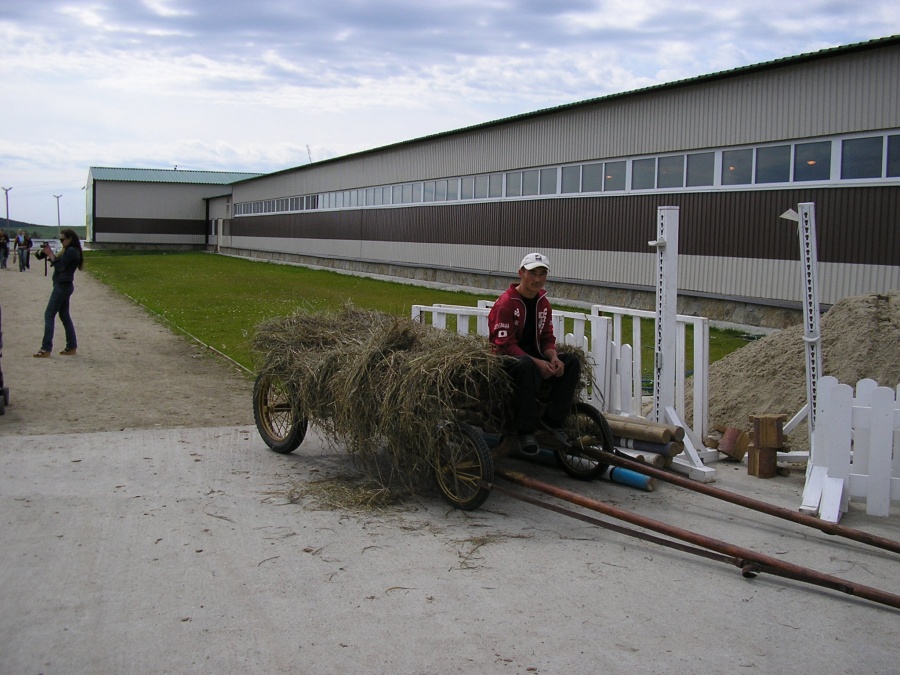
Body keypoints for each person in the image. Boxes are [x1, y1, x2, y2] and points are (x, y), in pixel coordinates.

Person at [488, 252, 581, 456]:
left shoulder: (543, 303)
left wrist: (554, 357)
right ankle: (525, 431)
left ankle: (553, 421)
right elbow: (504, 344)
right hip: (506, 360)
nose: (537, 279)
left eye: (542, 273)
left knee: (571, 361)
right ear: (521, 273)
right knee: (525, 365)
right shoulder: (506, 303)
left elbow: (547, 337)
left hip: (532, 357)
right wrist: (537, 363)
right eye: (532, 273)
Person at [33, 228, 84, 358]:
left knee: (49, 314)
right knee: (64, 315)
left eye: (63, 239)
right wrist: (47, 254)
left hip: (62, 286)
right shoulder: (68, 250)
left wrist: (51, 255)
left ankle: (46, 348)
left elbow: (61, 267)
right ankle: (71, 346)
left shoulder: (72, 251)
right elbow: (56, 262)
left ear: (70, 239)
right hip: (63, 285)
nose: (61, 242)